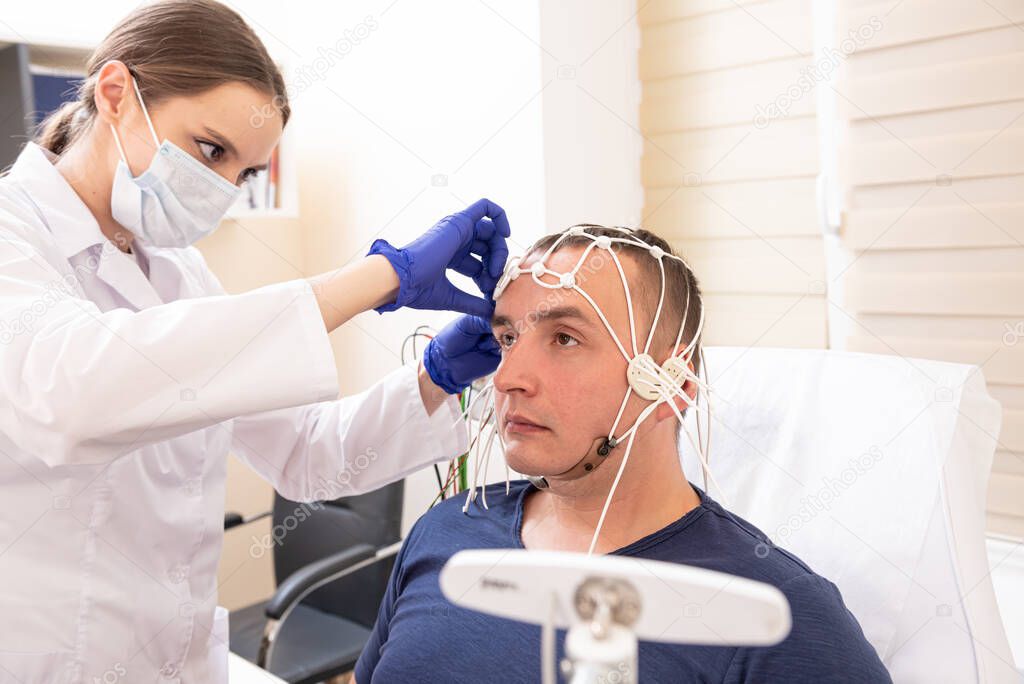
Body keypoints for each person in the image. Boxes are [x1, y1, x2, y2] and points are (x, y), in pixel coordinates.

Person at [0, 1, 505, 682]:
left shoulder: (178, 272)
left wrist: (436, 377)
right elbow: (72, 391)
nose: (219, 189)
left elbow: (306, 453)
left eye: (242, 171)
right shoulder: (15, 239)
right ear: (116, 93)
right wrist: (381, 275)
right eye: (210, 150)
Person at [353, 225, 893, 683]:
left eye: (564, 338)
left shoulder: (773, 615)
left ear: (671, 384)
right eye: (508, 338)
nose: (508, 377)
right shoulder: (448, 528)